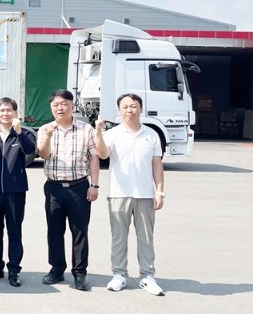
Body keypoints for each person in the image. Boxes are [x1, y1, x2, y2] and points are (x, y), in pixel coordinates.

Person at [94, 93, 166, 296]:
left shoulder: (151, 134)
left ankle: (147, 276)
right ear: (119, 110)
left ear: (140, 108)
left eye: (133, 106)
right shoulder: (113, 133)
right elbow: (103, 154)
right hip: (119, 193)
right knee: (119, 238)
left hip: (145, 194)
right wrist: (98, 132)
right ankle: (119, 274)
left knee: (146, 238)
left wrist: (160, 191)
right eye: (125, 107)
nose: (129, 110)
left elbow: (157, 165)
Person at [36, 89, 99, 291]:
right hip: (53, 188)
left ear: (72, 106)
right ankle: (56, 269)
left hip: (79, 187)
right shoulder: (45, 129)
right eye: (55, 105)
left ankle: (79, 273)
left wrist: (94, 185)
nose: (60, 108)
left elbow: (94, 157)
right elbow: (43, 154)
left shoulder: (86, 129)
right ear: (51, 108)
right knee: (54, 230)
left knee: (80, 231)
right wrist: (47, 136)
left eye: (64, 104)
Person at [0, 97, 37, 287]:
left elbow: (30, 150)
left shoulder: (24, 133)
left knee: (14, 230)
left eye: (9, 110)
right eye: (2, 110)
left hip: (15, 190)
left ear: (15, 113)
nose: (5, 114)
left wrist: (19, 132)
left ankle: (14, 270)